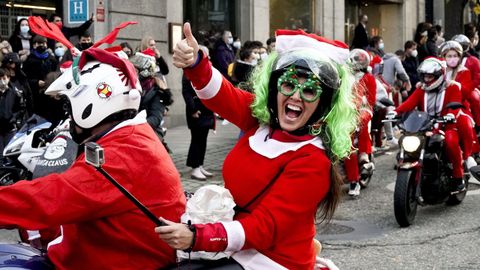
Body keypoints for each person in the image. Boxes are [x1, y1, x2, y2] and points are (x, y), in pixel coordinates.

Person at [156, 23, 357, 269]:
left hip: (271, 260)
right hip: (235, 245)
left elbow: (266, 226)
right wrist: (196, 62)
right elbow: (224, 97)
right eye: (288, 84)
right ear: (274, 89)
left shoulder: (313, 160)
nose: (295, 96)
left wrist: (198, 236)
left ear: (324, 104)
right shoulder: (262, 122)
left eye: (310, 91)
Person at [0, 44, 186, 268]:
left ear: (89, 106)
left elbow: (49, 198)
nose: (69, 118)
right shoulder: (131, 137)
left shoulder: (125, 154)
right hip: (105, 252)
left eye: (70, 109)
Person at [387, 57, 470, 193]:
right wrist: (395, 112)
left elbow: (455, 105)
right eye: (425, 76)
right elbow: (409, 103)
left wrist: (450, 115)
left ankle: (458, 176)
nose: (427, 80)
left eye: (430, 76)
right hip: (425, 126)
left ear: (438, 75)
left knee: (451, 141)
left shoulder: (452, 87)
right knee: (406, 139)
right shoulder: (421, 89)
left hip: (446, 125)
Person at [439, 41, 477, 169]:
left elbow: (467, 92)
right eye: (449, 56)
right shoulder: (438, 70)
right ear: (444, 57)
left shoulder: (463, 71)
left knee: (465, 124)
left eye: (455, 56)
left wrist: (457, 85)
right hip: (439, 105)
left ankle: (467, 155)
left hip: (459, 106)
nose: (452, 59)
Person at [345, 49, 376, 197]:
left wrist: (359, 107)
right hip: (345, 112)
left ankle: (355, 178)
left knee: (353, 134)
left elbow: (371, 101)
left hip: (363, 111)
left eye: (359, 59)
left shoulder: (369, 78)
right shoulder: (344, 77)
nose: (355, 62)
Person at [182, 74, 215, 180]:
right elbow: (186, 92)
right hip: (196, 110)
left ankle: (200, 165)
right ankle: (195, 167)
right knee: (196, 139)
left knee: (203, 139)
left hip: (205, 108)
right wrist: (193, 109)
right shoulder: (188, 73)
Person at [22, 35, 59, 123]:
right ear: (34, 45)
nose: (42, 45)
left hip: (50, 95)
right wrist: (36, 82)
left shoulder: (51, 59)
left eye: (43, 43)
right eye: (39, 43)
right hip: (36, 96)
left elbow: (57, 74)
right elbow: (25, 79)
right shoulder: (29, 61)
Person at [0, 68, 22, 158]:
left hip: (10, 128)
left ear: (8, 78)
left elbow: (20, 108)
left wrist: (14, 118)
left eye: (4, 78)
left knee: (10, 154)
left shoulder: (14, 92)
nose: (2, 81)